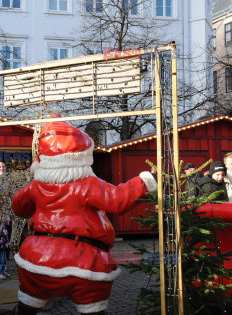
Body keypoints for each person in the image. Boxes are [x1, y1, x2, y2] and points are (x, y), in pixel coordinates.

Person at [11, 121, 157, 315]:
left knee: (27, 306)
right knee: (92, 309)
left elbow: (18, 207)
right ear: (81, 156)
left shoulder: (36, 186)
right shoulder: (88, 184)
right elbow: (117, 200)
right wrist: (146, 182)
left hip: (36, 261)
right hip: (83, 264)